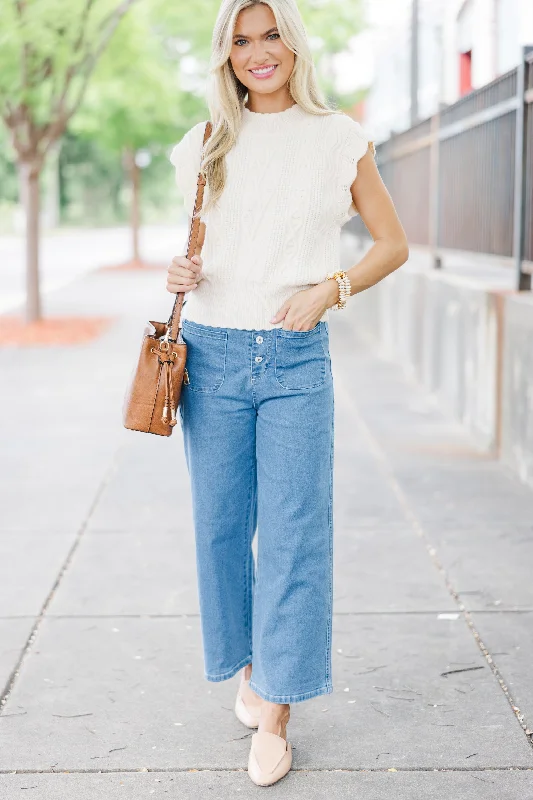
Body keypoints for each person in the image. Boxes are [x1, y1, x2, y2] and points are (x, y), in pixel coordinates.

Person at [167, 0, 408, 787]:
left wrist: (329, 288)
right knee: (220, 530)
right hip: (213, 354)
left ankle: (276, 708)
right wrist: (181, 274)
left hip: (296, 358)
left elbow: (391, 243)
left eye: (270, 35)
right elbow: (202, 254)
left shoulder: (338, 138)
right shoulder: (203, 145)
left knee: (297, 534)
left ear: (294, 44)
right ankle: (246, 669)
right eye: (241, 40)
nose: (258, 52)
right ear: (225, 55)